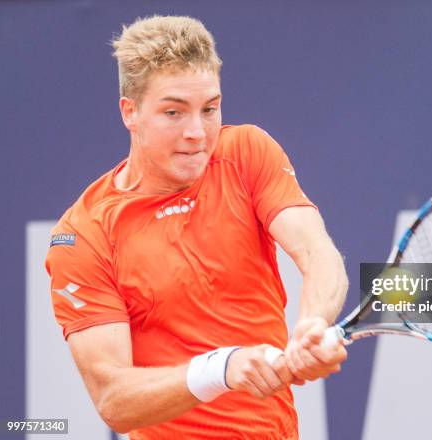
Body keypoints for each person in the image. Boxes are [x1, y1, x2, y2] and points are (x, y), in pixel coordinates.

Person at [45, 15, 348, 439]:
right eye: (173, 112)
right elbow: (113, 399)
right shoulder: (83, 235)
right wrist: (220, 370)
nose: (197, 133)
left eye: (209, 109)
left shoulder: (246, 152)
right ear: (129, 112)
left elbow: (317, 251)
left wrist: (313, 322)